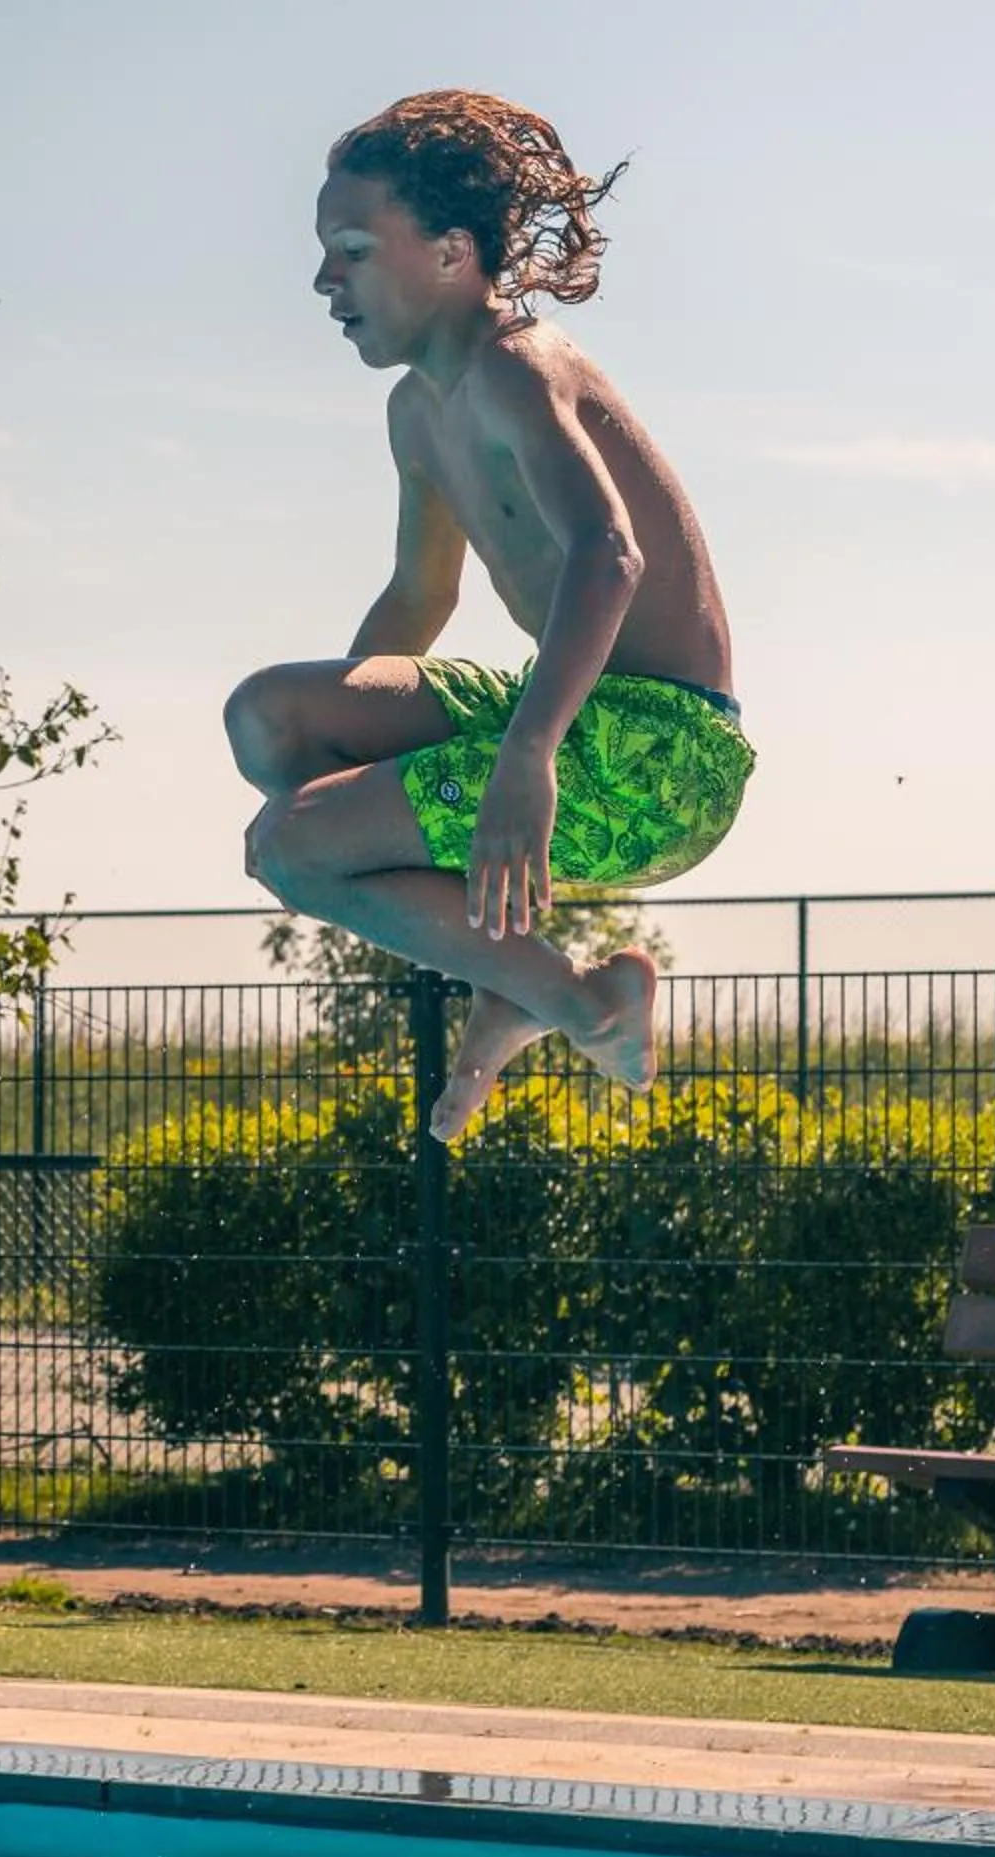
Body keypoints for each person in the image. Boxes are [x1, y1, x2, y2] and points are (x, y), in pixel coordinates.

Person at [228, 88, 755, 1142]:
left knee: (289, 847)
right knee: (268, 721)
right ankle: (510, 971)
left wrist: (527, 754)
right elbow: (421, 596)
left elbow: (608, 555)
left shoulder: (519, 366)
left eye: (352, 250)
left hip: (663, 756)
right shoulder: (417, 412)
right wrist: (345, 765)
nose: (325, 280)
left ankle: (580, 1002)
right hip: (561, 713)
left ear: (450, 253)